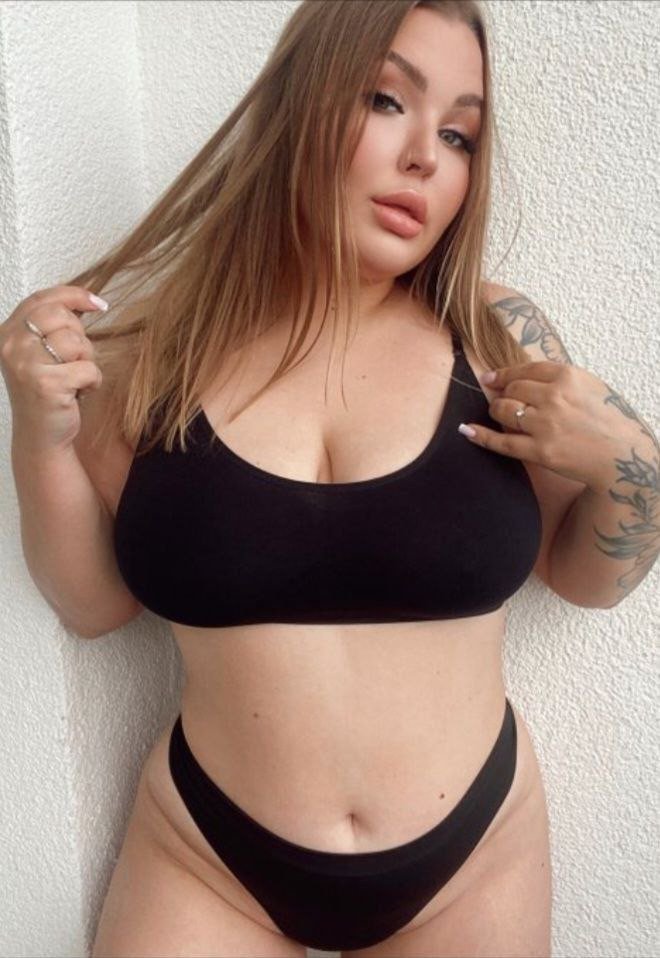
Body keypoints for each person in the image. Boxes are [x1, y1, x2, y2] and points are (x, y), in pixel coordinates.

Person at [2, 2, 657, 956]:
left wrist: (633, 467)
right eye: (388, 100)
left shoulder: (496, 338)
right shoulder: (155, 354)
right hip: (206, 857)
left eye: (460, 135)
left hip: (473, 860)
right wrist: (39, 435)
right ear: (298, 104)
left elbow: (588, 581)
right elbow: (94, 606)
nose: (426, 159)